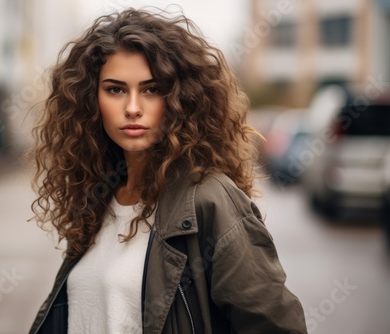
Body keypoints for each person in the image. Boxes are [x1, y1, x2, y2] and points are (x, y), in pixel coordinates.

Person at [28, 8, 307, 334]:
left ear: (180, 99)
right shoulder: (100, 197)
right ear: (92, 100)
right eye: (115, 89)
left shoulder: (210, 201)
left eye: (151, 89)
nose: (133, 108)